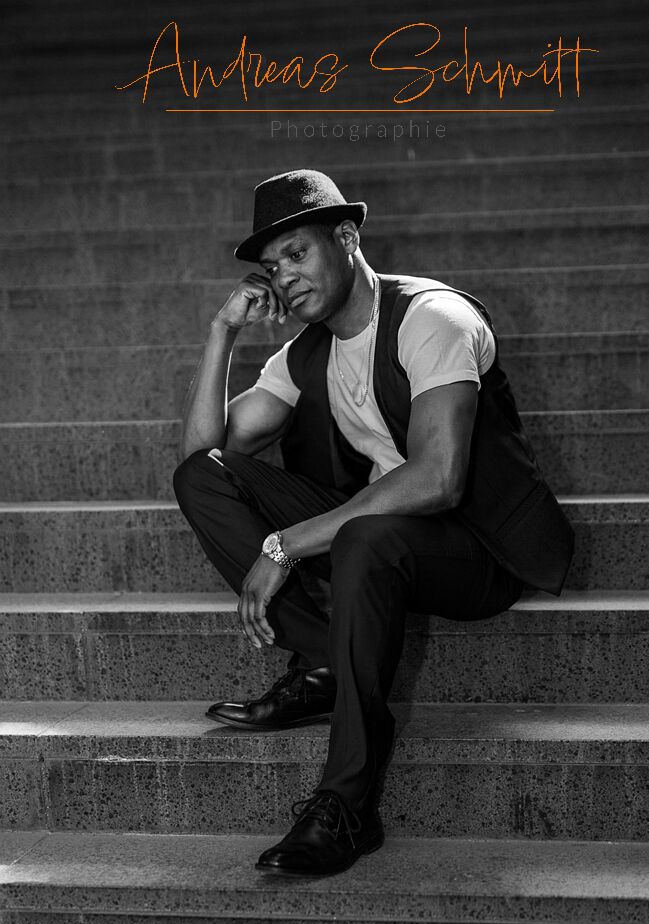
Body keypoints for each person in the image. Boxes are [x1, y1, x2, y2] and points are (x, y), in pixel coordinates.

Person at [173, 168, 574, 877]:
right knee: (201, 478)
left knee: (364, 532)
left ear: (347, 238)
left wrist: (287, 544)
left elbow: (439, 477)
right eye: (272, 266)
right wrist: (222, 331)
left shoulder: (432, 319)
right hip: (380, 541)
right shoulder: (306, 352)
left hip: (477, 548)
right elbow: (206, 453)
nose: (284, 277)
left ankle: (347, 805)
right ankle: (329, 656)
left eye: (297, 253)